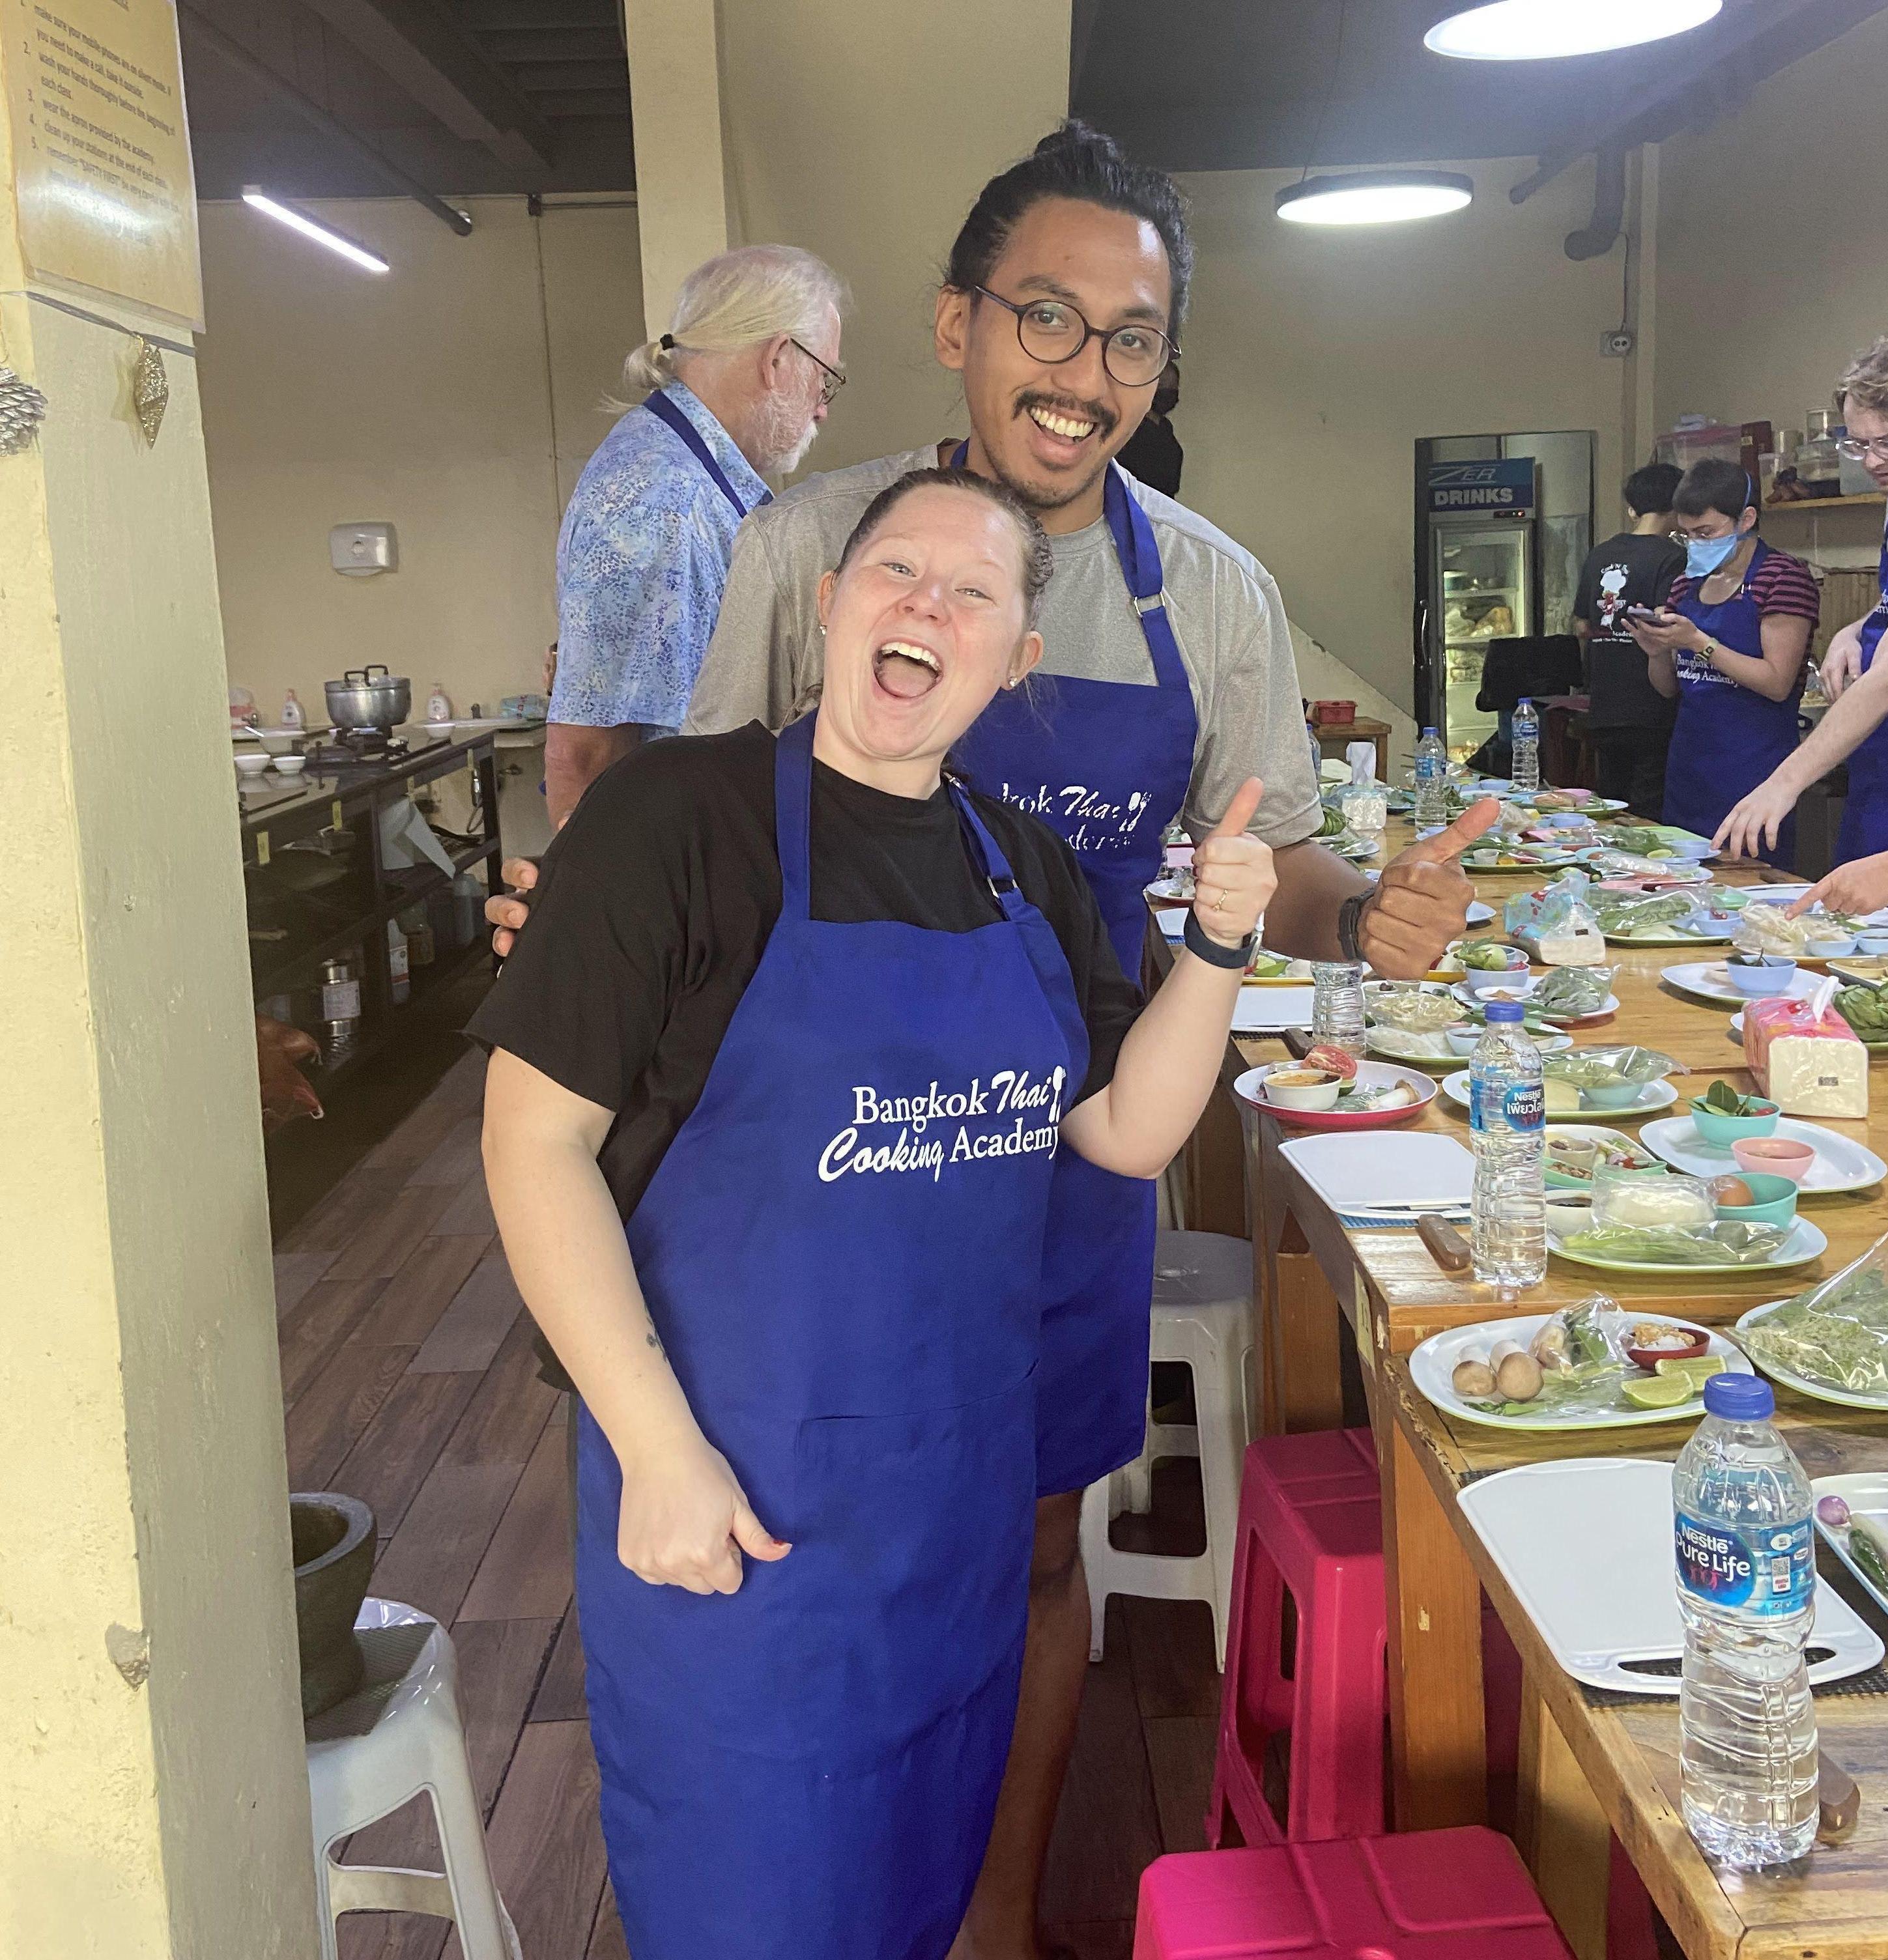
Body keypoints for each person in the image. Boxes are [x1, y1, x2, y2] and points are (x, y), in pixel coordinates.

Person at [487, 122, 1490, 1960]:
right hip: (801, 1171)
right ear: (961, 327)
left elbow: (1283, 862)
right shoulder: (811, 540)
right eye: (1048, 316)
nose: (1085, 370)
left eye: (1130, 339)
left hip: (1077, 1104)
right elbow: (712, 816)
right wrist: (584, 931)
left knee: (1030, 1553)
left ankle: (993, 1911)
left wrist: (1367, 917)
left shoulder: (1216, 590)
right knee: (788, 1547)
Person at [477, 466, 1295, 1958]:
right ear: (830, 603)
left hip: (948, 1517)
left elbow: (1121, 1129)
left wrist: (1219, 950)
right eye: (895, 571)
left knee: (915, 1890)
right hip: (738, 1513)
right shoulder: (676, 819)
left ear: (1012, 658)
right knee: (757, 1908)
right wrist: (654, 1450)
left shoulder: (1021, 868)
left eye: (970, 591)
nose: (926, 602)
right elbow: (533, 1144)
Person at [546, 244, 847, 823]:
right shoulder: (664, 498)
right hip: (675, 868)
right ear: (779, 358)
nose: (822, 408)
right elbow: (584, 753)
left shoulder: (696, 481)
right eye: (825, 379)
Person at [1715, 332, 1888, 866]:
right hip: (1883, 743)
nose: (1871, 460)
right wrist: (1856, 627)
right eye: (1858, 443)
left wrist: (1784, 784)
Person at [1627, 459, 1819, 868]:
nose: (1696, 544)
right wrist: (1658, 651)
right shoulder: (1686, 584)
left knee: (1751, 888)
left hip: (1756, 770)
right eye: (1687, 535)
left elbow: (1777, 682)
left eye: (1707, 533)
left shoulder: (1783, 578)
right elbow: (1669, 688)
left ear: (1746, 519)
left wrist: (1698, 641)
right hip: (1690, 765)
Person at [1571, 462, 1685, 818]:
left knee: (1612, 806)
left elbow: (1580, 625)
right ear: (1678, 507)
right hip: (1651, 702)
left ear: (1632, 508)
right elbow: (1670, 621)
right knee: (1648, 808)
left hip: (1605, 701)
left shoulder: (1601, 554)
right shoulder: (1674, 557)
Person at [1115, 357, 1182, 496]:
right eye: (1163, 387)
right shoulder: (1129, 428)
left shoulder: (1165, 428)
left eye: (1173, 389)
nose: (1169, 393)